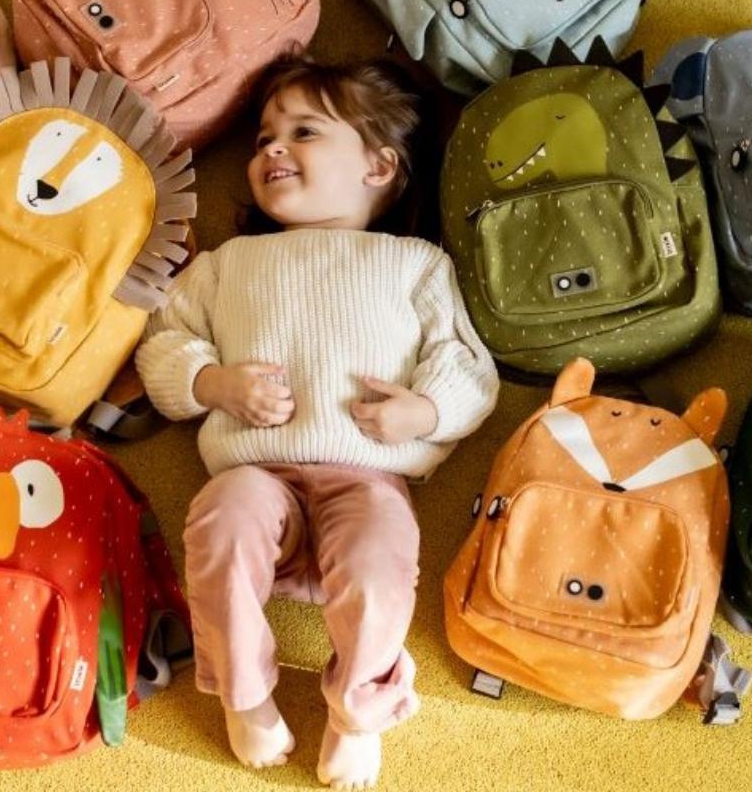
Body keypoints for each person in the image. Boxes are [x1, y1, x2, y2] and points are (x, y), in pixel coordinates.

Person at [136, 57, 499, 789]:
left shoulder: (414, 264)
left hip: (365, 480)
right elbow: (163, 342)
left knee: (379, 562)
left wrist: (423, 411)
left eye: (303, 132)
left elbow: (465, 365)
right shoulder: (229, 264)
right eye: (263, 138)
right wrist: (213, 382)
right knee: (219, 523)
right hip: (254, 472)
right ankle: (244, 692)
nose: (271, 147)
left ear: (378, 166)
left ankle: (360, 708)